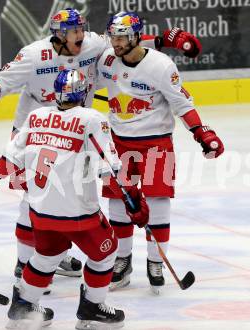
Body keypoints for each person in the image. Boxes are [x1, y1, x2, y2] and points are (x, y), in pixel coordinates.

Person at [0, 8, 202, 289]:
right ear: (59, 34)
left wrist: (169, 38)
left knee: (70, 191)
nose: (81, 35)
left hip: (76, 132)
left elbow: (127, 44)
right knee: (33, 196)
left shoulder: (92, 44)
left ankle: (55, 254)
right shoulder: (34, 54)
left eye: (82, 29)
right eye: (75, 31)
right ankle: (24, 263)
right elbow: (2, 81)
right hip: (35, 130)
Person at [0, 69, 149, 329]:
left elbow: (10, 160)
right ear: (83, 94)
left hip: (41, 211)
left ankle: (24, 306)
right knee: (105, 254)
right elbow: (110, 170)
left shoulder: (36, 116)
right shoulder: (91, 119)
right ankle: (92, 308)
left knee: (46, 255)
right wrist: (134, 200)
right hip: (79, 213)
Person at [96, 12, 224, 294]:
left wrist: (202, 132)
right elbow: (82, 79)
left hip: (156, 144)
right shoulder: (106, 60)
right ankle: (122, 260)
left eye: (121, 37)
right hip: (118, 143)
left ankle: (155, 261)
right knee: (118, 203)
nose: (115, 42)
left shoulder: (161, 66)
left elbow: (182, 102)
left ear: (134, 37)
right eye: (112, 36)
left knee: (158, 200)